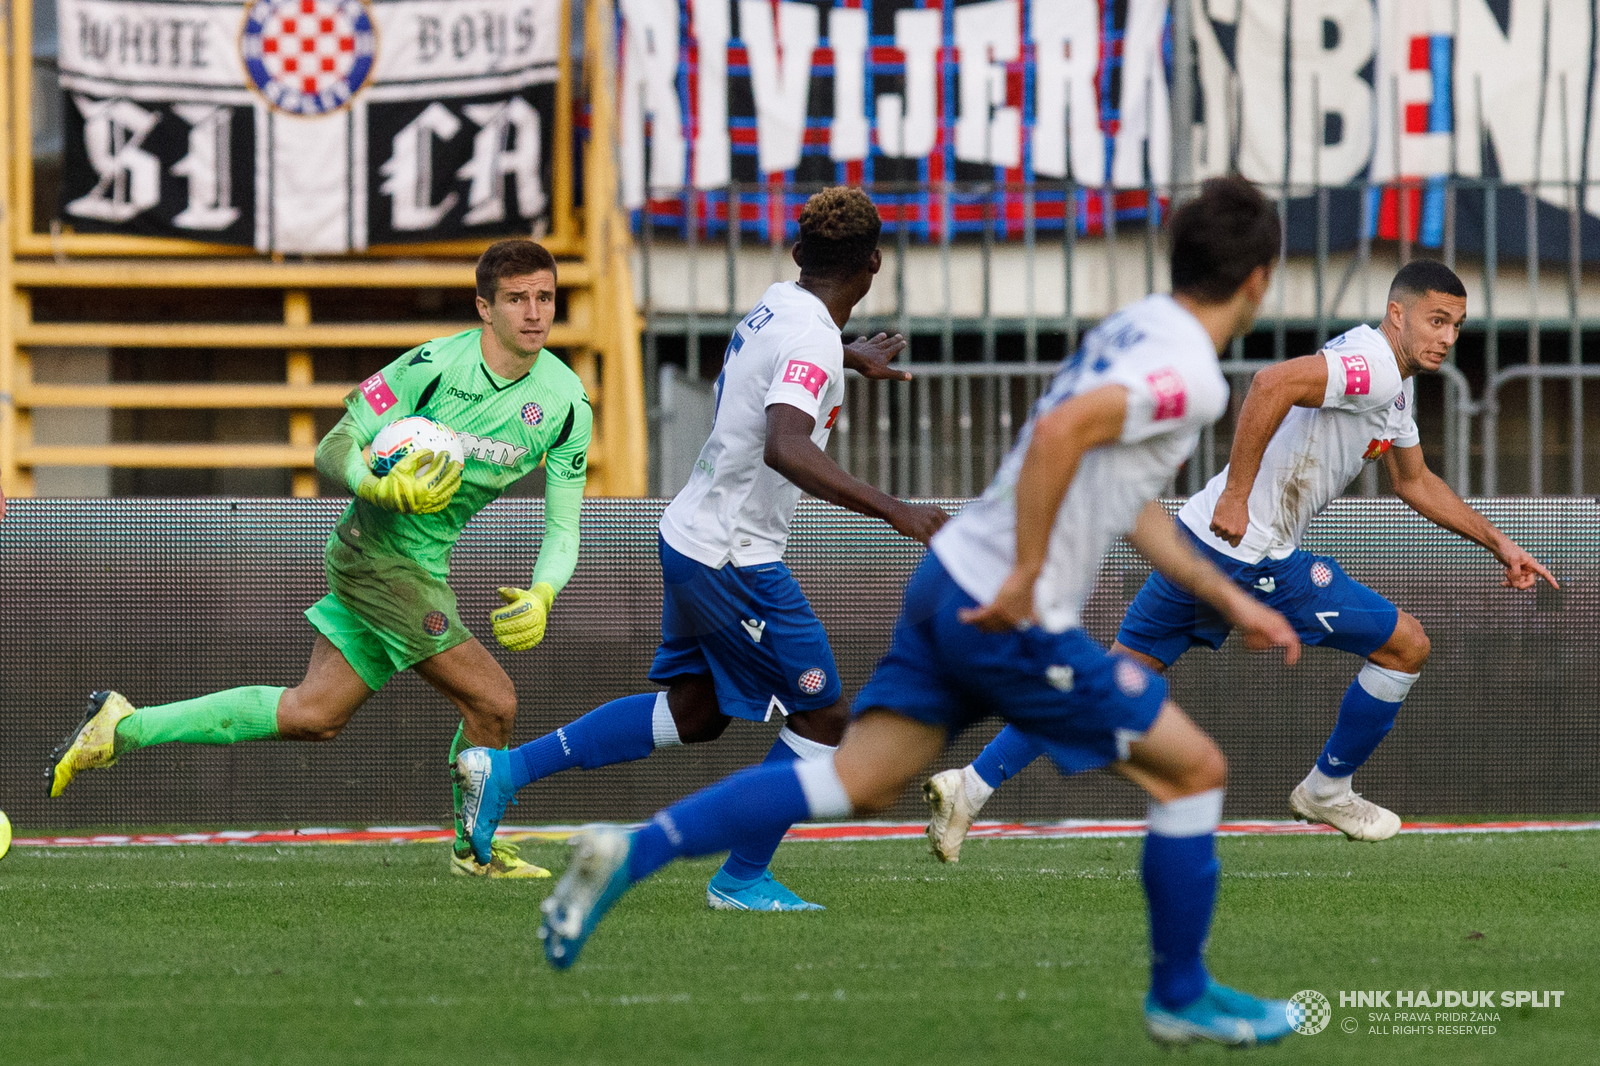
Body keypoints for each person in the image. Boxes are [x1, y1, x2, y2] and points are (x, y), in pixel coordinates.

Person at [531, 177, 1306, 1046]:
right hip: (1005, 614)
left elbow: (1125, 499)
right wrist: (1021, 585)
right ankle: (1180, 993)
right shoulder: (1194, 379)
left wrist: (1231, 597)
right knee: (1194, 770)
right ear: (1258, 282)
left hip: (946, 583)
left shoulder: (1131, 329)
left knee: (847, 777)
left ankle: (631, 851)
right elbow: (1060, 439)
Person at [926, 258, 1558, 859]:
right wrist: (1238, 492)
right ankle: (1326, 789)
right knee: (1406, 646)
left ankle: (971, 786)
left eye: (1456, 326)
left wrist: (1499, 542)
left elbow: (1415, 482)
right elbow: (1270, 383)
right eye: (1436, 320)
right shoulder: (1377, 367)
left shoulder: (1391, 386)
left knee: (1110, 679)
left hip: (1198, 539)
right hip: (1255, 553)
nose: (1447, 337)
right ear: (1398, 314)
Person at [453, 186, 947, 911]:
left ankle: (504, 772)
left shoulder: (781, 304)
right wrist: (896, 510)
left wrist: (845, 359)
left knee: (698, 712)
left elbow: (774, 373)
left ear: (797, 253)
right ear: (874, 263)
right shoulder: (808, 334)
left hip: (692, 533)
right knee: (825, 719)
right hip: (734, 556)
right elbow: (785, 444)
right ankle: (741, 876)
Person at [48, 239, 592, 879]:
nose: (534, 313)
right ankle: (474, 850)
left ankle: (122, 728)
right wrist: (376, 483)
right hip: (376, 557)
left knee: (314, 714)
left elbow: (563, 527)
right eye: (516, 299)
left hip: (423, 566)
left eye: (545, 298)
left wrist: (544, 592)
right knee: (494, 702)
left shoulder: (565, 402)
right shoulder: (428, 368)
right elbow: (335, 446)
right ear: (484, 307)